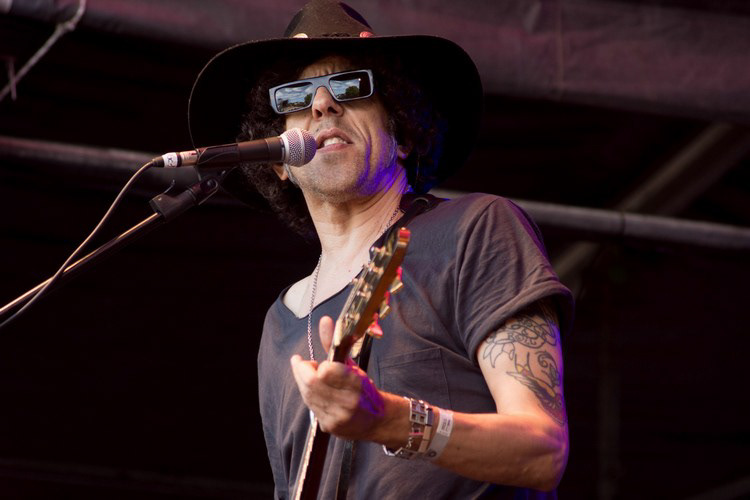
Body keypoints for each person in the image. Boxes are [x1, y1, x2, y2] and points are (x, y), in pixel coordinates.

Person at [188, 1, 574, 498]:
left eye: (351, 86)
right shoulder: (279, 323)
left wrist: (387, 420)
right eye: (296, 96)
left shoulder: (474, 230)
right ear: (280, 161)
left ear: (402, 130)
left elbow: (543, 451)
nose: (322, 105)